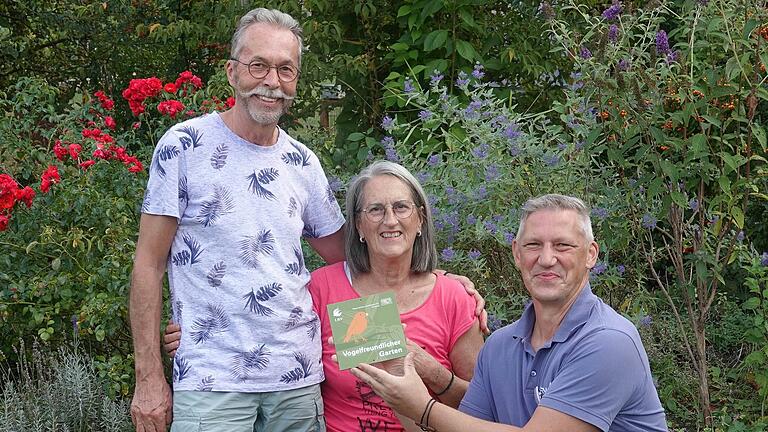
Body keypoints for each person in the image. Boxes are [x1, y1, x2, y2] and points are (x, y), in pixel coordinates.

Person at [130, 8, 485, 432]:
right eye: (258, 65)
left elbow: (356, 251)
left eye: (285, 69)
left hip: (297, 381)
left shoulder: (302, 162)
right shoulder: (184, 146)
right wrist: (149, 376)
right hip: (212, 380)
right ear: (231, 72)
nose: (271, 81)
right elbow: (148, 264)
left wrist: (438, 278)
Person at [165, 161, 485, 432]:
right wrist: (199, 333)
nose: (390, 219)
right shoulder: (323, 288)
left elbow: (481, 406)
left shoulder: (452, 296)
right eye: (375, 210)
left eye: (401, 207)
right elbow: (264, 330)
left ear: (420, 220)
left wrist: (428, 369)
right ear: (358, 226)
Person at [351, 194, 668, 431]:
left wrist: (422, 406)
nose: (546, 259)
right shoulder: (500, 346)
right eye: (533, 245)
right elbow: (464, 427)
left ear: (591, 255)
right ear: (517, 253)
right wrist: (395, 369)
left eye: (563, 246)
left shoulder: (609, 342)